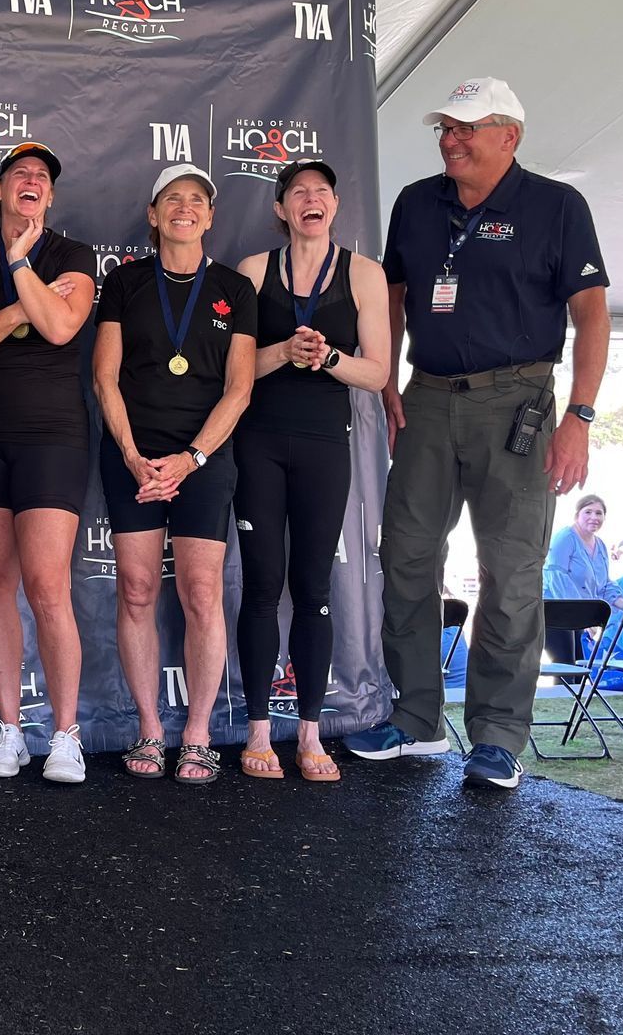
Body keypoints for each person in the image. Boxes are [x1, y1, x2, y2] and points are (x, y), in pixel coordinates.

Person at [350, 78, 610, 790]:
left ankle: (496, 737)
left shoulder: (556, 206)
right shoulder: (414, 201)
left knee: (512, 572)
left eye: (465, 129)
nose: (449, 140)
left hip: (518, 404)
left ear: (509, 136)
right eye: (444, 129)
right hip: (427, 398)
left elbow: (591, 314)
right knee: (403, 557)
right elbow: (393, 294)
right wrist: (385, 381)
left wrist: (578, 418)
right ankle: (414, 721)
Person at [92, 164, 256, 784]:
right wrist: (135, 455)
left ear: (210, 217)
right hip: (132, 453)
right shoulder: (125, 282)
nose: (184, 208)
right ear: (154, 217)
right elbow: (105, 377)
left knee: (200, 593)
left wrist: (191, 459)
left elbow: (238, 390)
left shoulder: (236, 291)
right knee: (136, 589)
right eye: (172, 200)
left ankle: (196, 735)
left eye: (196, 200)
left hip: (204, 458)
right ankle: (149, 732)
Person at [0, 142, 96, 782]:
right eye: (19, 175)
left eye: (41, 177)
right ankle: (9, 730)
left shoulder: (74, 256)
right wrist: (22, 301)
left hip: (54, 437)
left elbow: (62, 328)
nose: (31, 182)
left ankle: (64, 734)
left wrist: (21, 267)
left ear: (50, 197)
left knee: (47, 585)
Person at [232, 159, 389, 782]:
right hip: (259, 444)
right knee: (263, 586)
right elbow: (236, 369)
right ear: (281, 209)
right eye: (298, 192)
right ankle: (257, 731)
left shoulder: (364, 273)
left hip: (326, 443)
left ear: (335, 206)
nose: (311, 199)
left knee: (315, 592)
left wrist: (327, 358)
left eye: (322, 190)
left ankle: (311, 734)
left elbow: (377, 374)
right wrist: (282, 351)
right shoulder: (252, 272)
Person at [542, 493, 623, 664]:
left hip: (579, 614)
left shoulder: (600, 545)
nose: (594, 517)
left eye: (599, 513)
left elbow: (604, 584)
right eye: (588, 512)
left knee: (582, 665)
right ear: (577, 515)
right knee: (565, 664)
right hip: (555, 611)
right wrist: (585, 616)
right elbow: (556, 577)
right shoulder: (565, 538)